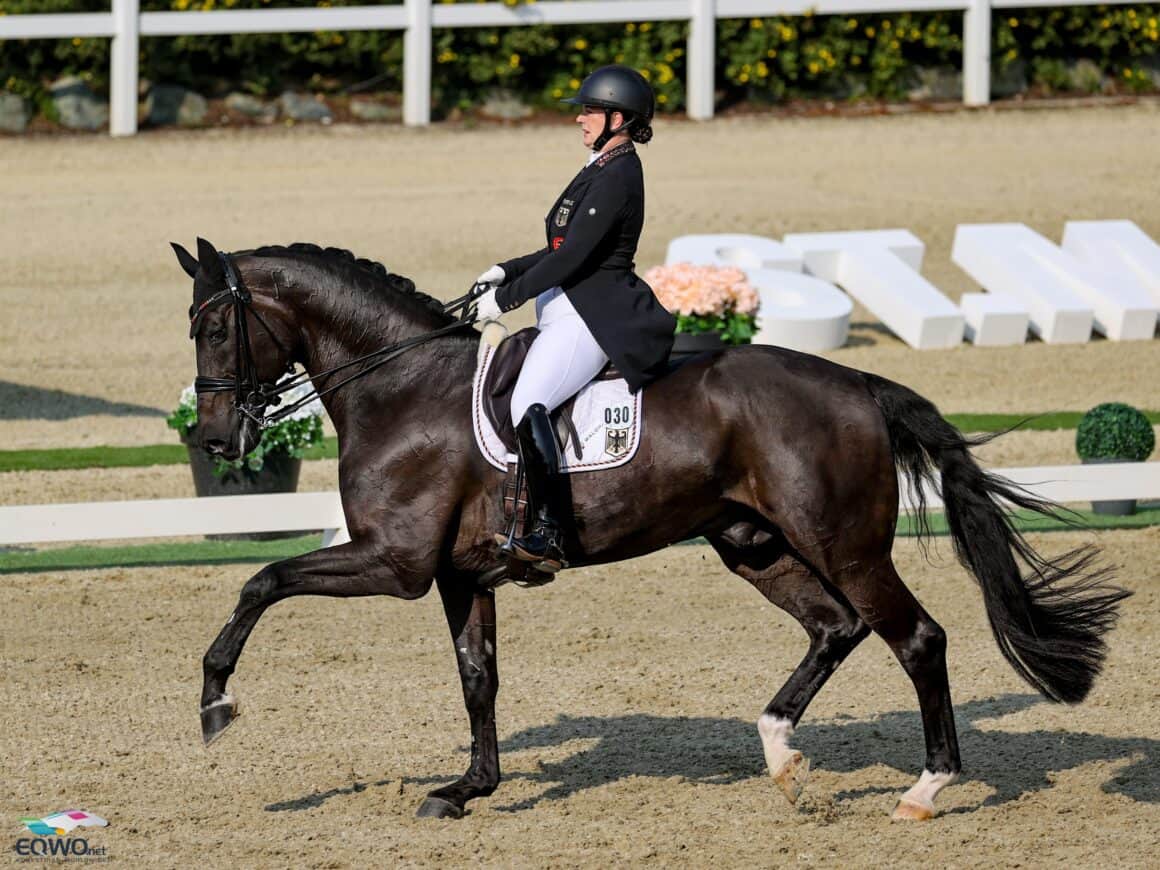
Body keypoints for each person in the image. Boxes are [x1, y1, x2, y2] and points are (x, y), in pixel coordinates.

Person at [473, 64, 677, 576]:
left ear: (617, 118)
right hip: (568, 305)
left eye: (589, 111)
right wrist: (507, 269)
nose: (580, 119)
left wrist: (509, 298)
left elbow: (571, 260)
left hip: (593, 315)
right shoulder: (599, 166)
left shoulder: (620, 173)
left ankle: (548, 533)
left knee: (527, 402)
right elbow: (559, 247)